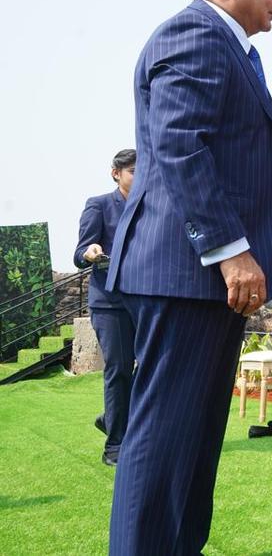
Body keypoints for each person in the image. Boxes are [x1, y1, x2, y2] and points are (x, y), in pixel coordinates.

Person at [104, 0, 272, 554]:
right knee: (163, 438)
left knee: (195, 438)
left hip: (202, 278)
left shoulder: (234, 48)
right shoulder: (194, 34)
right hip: (185, 270)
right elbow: (181, 146)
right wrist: (230, 249)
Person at [73, 148, 136, 467]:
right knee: (119, 369)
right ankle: (114, 446)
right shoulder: (98, 204)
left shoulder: (149, 206)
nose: (138, 177)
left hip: (143, 300)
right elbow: (79, 252)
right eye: (132, 172)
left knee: (149, 368)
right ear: (116, 173)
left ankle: (111, 418)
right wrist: (90, 252)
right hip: (109, 302)